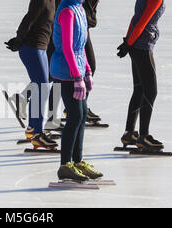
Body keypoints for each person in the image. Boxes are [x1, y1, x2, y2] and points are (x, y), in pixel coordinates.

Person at [50, 0, 103, 181]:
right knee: (74, 117)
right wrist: (77, 76)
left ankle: (78, 161)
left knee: (81, 116)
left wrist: (87, 71)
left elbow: (81, 47)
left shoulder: (79, 9)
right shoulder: (67, 12)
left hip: (77, 69)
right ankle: (65, 165)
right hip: (66, 72)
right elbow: (67, 48)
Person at [5, 0, 58, 149]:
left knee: (40, 86)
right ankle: (38, 134)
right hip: (31, 48)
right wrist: (18, 40)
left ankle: (32, 129)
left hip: (41, 47)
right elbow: (29, 19)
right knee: (42, 88)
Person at [117, 0, 165, 149]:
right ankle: (144, 136)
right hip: (143, 46)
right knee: (151, 91)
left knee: (139, 90)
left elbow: (135, 18)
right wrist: (129, 43)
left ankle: (129, 133)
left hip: (137, 44)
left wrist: (128, 42)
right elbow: (142, 22)